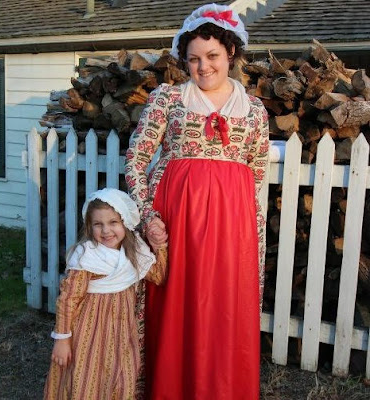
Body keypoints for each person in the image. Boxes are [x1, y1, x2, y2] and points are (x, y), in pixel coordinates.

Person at [125, 3, 269, 399]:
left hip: (232, 228)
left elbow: (255, 172)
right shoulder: (168, 100)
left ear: (232, 54)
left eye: (212, 57)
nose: (203, 67)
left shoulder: (254, 110)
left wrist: (238, 219)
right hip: (175, 223)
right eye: (194, 59)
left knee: (225, 311)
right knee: (176, 310)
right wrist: (149, 215)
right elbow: (136, 159)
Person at [43, 188, 167, 400]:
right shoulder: (87, 256)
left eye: (113, 223)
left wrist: (159, 247)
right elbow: (68, 300)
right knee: (86, 375)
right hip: (88, 331)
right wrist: (62, 340)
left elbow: (158, 277)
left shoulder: (134, 250)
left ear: (125, 222)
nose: (106, 231)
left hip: (122, 330)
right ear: (89, 226)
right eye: (98, 224)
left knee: (122, 374)